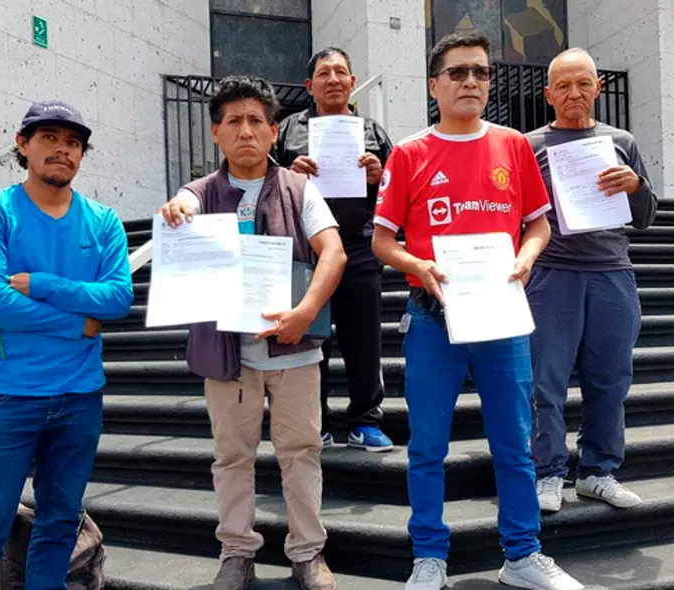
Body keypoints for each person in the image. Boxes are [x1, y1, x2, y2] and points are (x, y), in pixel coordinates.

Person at [372, 33, 584, 590]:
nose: (471, 82)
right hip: (431, 317)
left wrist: (527, 256)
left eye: (481, 73)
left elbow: (537, 225)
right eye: (458, 72)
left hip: (501, 317)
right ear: (434, 84)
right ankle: (429, 556)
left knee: (514, 444)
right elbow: (382, 241)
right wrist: (418, 265)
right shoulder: (410, 153)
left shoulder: (513, 146)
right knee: (427, 446)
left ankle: (523, 554)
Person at [159, 75, 346, 590]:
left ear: (273, 130)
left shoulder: (299, 189)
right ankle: (237, 554)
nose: (246, 131)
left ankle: (307, 553)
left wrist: (306, 311)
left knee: (302, 453)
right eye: (234, 121)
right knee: (232, 458)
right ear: (215, 131)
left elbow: (333, 252)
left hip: (293, 349)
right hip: (228, 356)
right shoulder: (200, 192)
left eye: (256, 121)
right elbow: (183, 206)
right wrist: (178, 211)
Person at [0, 100, 135, 589]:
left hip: (79, 396)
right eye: (49, 137)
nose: (63, 149)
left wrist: (44, 284)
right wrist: (78, 325)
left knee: (60, 525)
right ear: (23, 144)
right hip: (4, 395)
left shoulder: (102, 220)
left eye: (73, 142)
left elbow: (118, 298)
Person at [526, 48, 657, 514]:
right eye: (563, 85)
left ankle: (598, 471)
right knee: (545, 382)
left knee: (610, 379)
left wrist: (636, 186)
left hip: (611, 272)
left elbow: (646, 216)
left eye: (583, 83)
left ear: (598, 88)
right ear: (548, 94)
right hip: (552, 275)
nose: (574, 93)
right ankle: (547, 472)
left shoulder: (621, 142)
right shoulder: (529, 146)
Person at [274, 47, 394, 452]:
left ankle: (366, 421)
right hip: (306, 249)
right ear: (309, 85)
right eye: (324, 73)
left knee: (365, 339)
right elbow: (268, 184)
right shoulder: (288, 130)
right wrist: (289, 175)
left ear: (352, 81)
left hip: (359, 245)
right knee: (311, 340)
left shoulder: (372, 131)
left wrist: (379, 177)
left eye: (341, 72)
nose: (333, 80)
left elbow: (397, 191)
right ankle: (317, 423)